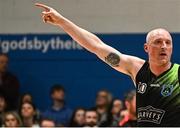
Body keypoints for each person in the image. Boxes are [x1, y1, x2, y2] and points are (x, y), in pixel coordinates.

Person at [35, 3, 180, 126]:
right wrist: (62, 21)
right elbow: (96, 46)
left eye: (168, 43)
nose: (164, 46)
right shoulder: (137, 68)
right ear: (146, 48)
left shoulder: (177, 73)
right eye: (158, 42)